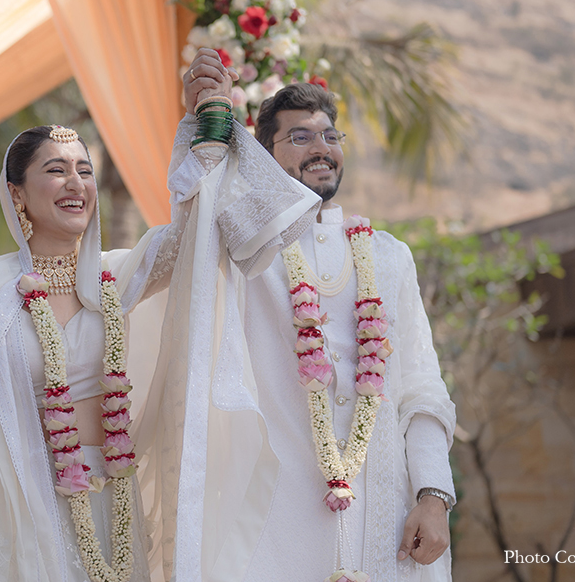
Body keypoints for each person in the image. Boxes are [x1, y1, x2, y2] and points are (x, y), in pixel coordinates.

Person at [0, 56, 318, 582]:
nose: (76, 183)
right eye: (56, 170)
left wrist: (211, 123)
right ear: (16, 194)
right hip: (14, 514)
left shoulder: (114, 278)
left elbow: (191, 236)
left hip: (112, 511)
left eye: (84, 170)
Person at [163, 59, 456, 582]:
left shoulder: (390, 256)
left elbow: (421, 386)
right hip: (277, 527)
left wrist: (433, 495)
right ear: (264, 156)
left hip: (387, 522)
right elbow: (194, 217)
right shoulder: (247, 253)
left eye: (330, 134)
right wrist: (211, 121)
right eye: (299, 136)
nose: (322, 147)